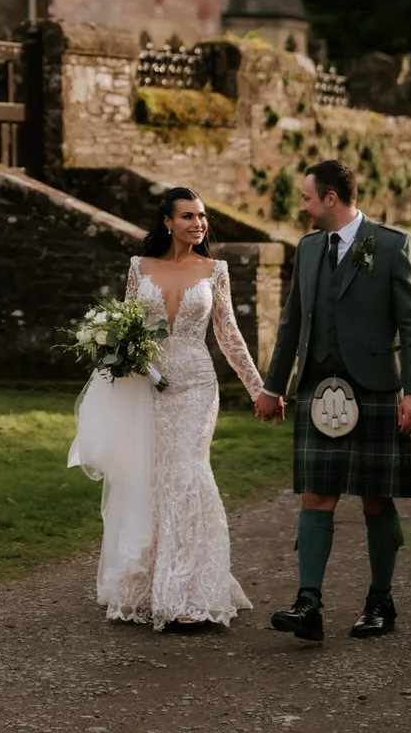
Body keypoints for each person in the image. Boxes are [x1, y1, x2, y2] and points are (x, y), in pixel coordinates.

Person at [69, 186, 265, 628]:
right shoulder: (140, 268)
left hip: (196, 385)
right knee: (152, 478)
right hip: (149, 385)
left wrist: (259, 390)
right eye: (188, 216)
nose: (199, 223)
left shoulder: (216, 271)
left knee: (188, 471)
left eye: (202, 216)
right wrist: (121, 351)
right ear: (168, 222)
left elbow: (229, 334)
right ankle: (150, 582)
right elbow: (127, 326)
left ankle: (190, 590)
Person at [254, 158, 411, 643]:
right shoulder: (309, 249)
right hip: (316, 388)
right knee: (317, 495)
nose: (303, 206)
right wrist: (273, 387)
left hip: (374, 387)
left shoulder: (392, 244)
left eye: (308, 197)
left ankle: (380, 601)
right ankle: (307, 603)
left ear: (332, 198)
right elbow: (291, 324)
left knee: (376, 497)